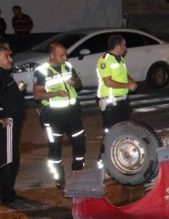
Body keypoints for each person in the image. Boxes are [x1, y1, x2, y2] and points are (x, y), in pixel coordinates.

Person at [32, 42, 86, 189]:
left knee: (80, 144)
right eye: (61, 55)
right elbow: (36, 94)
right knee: (55, 147)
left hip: (73, 114)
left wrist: (74, 83)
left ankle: (78, 171)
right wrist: (56, 93)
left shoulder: (68, 66)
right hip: (53, 116)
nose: (65, 57)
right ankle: (59, 177)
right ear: (51, 56)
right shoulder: (42, 71)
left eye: (66, 54)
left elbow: (79, 85)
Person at [96, 35, 138, 163]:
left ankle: (118, 159)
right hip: (111, 102)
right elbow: (108, 82)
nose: (126, 48)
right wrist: (127, 85)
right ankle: (102, 161)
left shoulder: (120, 59)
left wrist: (131, 81)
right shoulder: (105, 60)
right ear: (118, 47)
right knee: (110, 133)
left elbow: (124, 74)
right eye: (124, 45)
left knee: (123, 130)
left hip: (123, 100)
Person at [0, 40, 27, 204]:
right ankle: (5, 194)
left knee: (12, 157)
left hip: (12, 123)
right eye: (6, 56)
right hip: (7, 123)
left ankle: (7, 191)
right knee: (8, 159)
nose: (11, 59)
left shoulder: (4, 74)